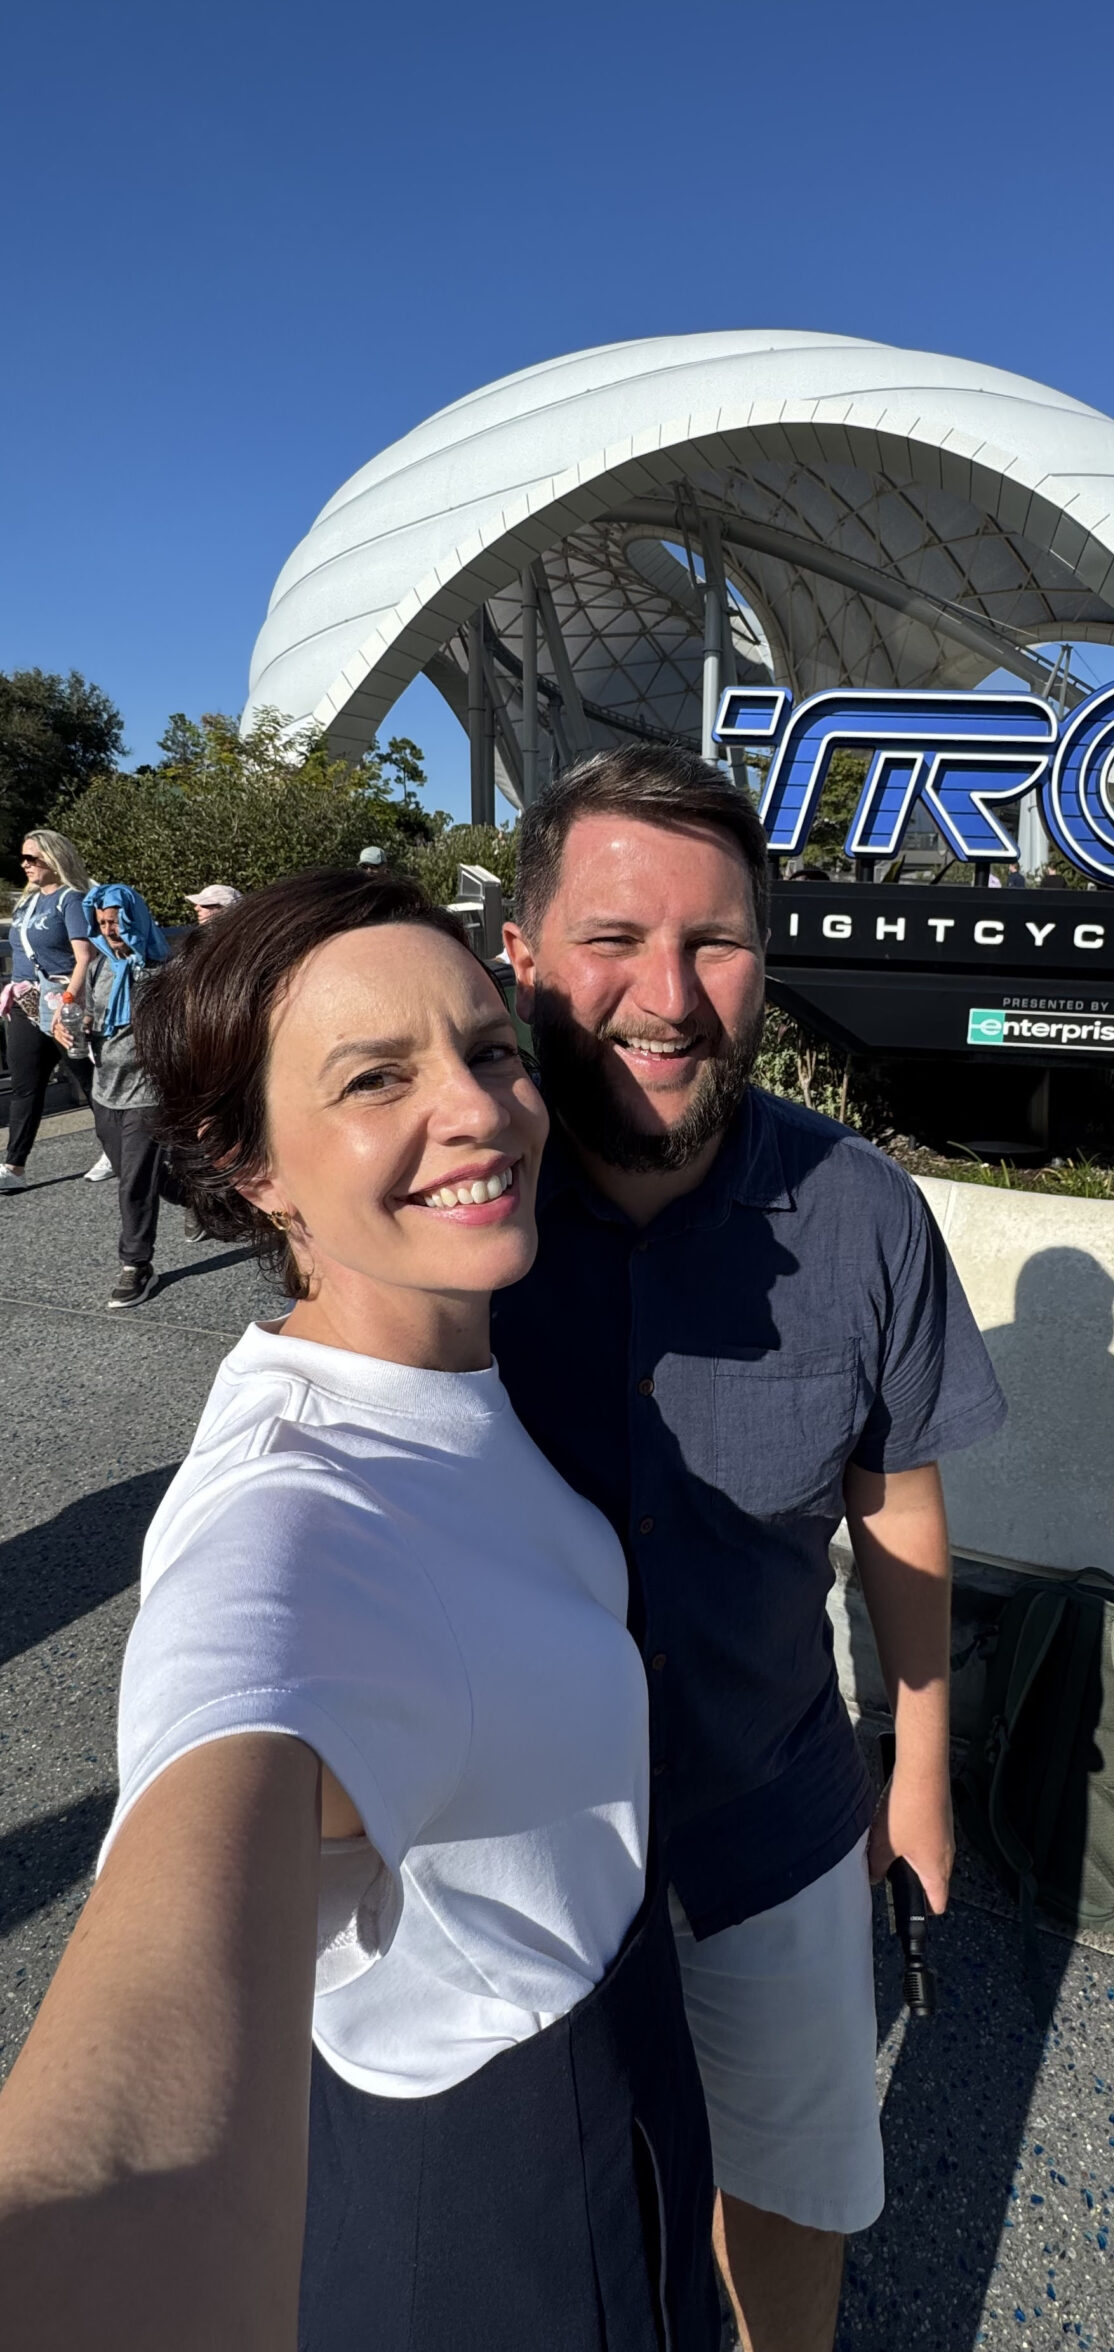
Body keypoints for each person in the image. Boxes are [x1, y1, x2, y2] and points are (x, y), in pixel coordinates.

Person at [0, 867, 717, 2352]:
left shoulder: (432, 1367)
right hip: (499, 2182)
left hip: (602, 2045)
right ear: (252, 1163)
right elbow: (213, 1811)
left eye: (491, 1048)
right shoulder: (295, 1519)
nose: (478, 1109)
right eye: (375, 1078)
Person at [492, 746, 1006, 2352]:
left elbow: (895, 1498)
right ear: (521, 954)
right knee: (534, 2222)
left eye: (713, 943)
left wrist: (918, 1770)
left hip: (766, 1816)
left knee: (789, 2197)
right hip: (498, 1836)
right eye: (612, 938)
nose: (669, 996)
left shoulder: (863, 1212)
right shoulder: (451, 1204)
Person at [60, 884, 173, 1310]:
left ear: (134, 920)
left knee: (133, 1183)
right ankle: (198, 1197)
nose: (109, 930)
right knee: (137, 1172)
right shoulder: (99, 967)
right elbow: (91, 1014)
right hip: (106, 1087)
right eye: (102, 923)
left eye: (116, 922)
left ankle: (136, 1264)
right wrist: (71, 1025)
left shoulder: (163, 971)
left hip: (148, 1090)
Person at [0, 827, 105, 1193]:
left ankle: (116, 1149)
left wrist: (70, 1002)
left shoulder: (71, 899)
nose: (25, 864)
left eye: (33, 857)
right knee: (25, 1085)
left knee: (87, 1078)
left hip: (61, 1001)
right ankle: (14, 1166)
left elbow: (84, 957)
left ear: (54, 858)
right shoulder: (27, 903)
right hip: (25, 1001)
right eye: (23, 857)